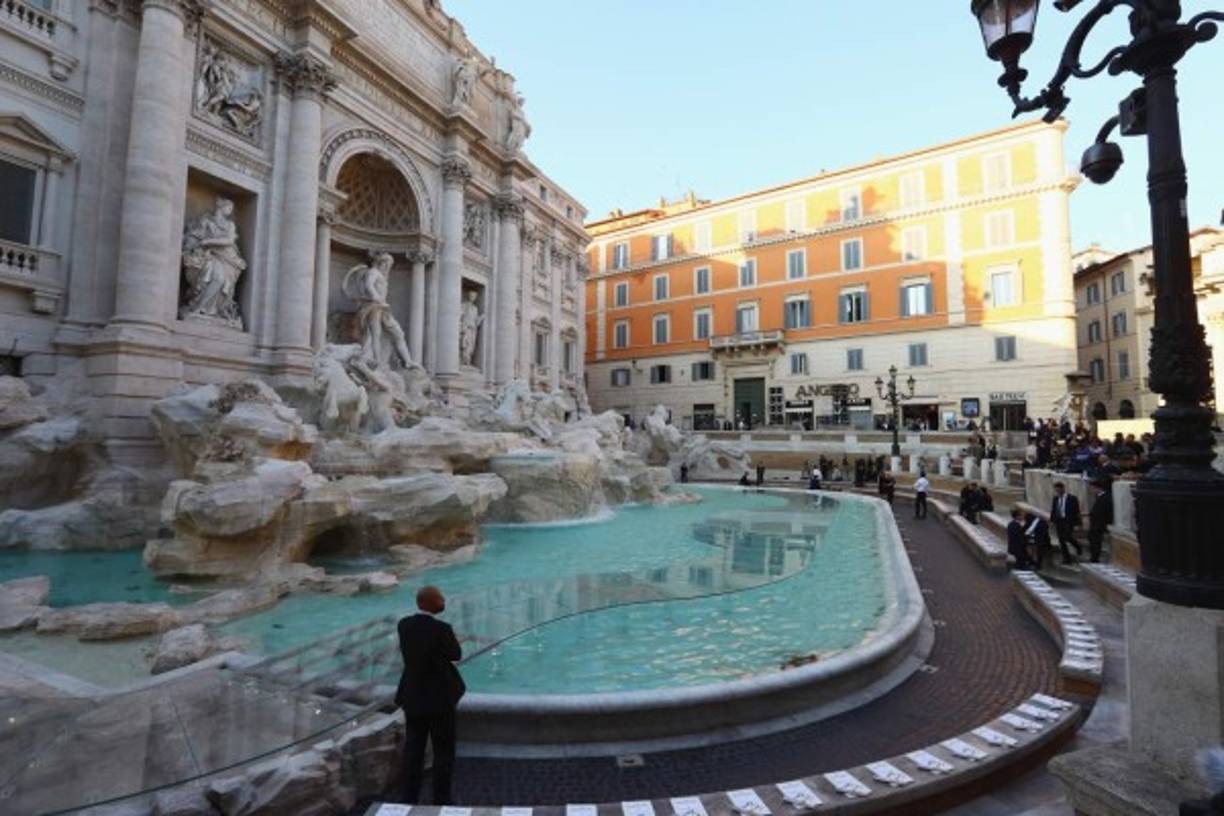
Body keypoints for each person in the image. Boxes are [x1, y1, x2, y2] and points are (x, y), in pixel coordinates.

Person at [395, 586, 466, 805]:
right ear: (428, 602)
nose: (443, 601)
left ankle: (409, 798)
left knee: (413, 750)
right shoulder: (442, 629)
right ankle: (441, 800)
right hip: (440, 700)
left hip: (413, 697)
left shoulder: (404, 625)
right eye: (440, 599)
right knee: (443, 752)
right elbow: (455, 654)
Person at [1049, 481, 1082, 565]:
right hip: (1059, 521)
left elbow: (1076, 511)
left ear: (1063, 488)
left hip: (1068, 520)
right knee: (1061, 540)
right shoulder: (1056, 498)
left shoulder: (1072, 498)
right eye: (1056, 490)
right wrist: (1052, 521)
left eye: (1059, 489)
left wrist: (1078, 523)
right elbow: (1054, 510)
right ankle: (1066, 558)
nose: (1058, 492)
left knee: (1067, 536)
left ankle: (1077, 546)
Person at [1086, 478, 1112, 563]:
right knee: (1091, 538)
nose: (1091, 491)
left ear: (1097, 488)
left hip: (1100, 523)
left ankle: (1095, 557)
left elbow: (1105, 511)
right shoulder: (1099, 497)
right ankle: (1093, 556)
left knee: (1096, 541)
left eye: (1092, 488)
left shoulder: (1106, 497)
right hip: (1095, 523)